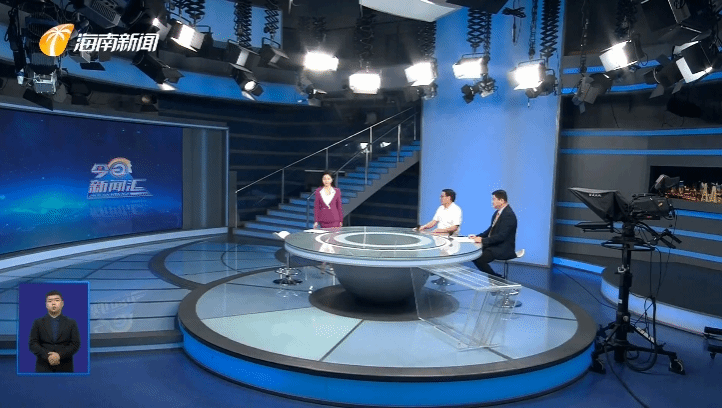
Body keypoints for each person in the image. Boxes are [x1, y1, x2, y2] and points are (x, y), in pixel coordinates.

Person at [28, 290, 81, 373]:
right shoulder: (38, 322)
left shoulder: (71, 323)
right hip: (43, 367)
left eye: (57, 300)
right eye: (50, 301)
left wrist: (59, 355)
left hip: (65, 366)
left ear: (62, 303)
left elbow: (75, 344)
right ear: (46, 305)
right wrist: (48, 356)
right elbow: (33, 344)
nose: (53, 303)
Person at [468, 190, 518, 278]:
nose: (492, 202)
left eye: (494, 199)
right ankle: (495, 278)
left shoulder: (508, 215)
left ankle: (495, 279)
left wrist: (482, 240)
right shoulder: (497, 213)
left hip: (503, 247)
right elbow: (490, 229)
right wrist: (478, 236)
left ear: (502, 201)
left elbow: (501, 236)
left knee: (479, 258)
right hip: (494, 244)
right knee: (473, 254)